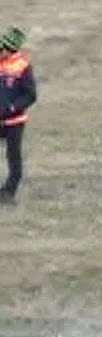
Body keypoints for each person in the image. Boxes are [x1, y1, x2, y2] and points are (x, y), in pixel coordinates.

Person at [0, 26, 36, 204]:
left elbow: (30, 95)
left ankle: (7, 194)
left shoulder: (23, 66)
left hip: (14, 122)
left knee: (13, 158)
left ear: (11, 49)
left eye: (2, 49)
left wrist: (13, 107)